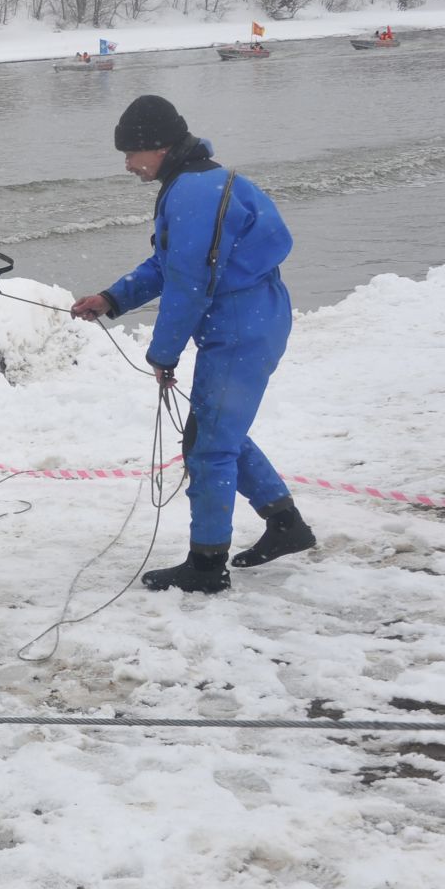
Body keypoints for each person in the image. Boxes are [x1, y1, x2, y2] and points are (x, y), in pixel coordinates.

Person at [69, 95, 316, 593]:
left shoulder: (193, 194)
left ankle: (206, 566)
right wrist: (113, 298)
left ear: (158, 147)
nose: (128, 166)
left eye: (131, 154)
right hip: (251, 317)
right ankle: (286, 524)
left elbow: (188, 284)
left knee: (208, 447)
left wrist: (163, 351)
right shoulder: (198, 182)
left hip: (241, 327)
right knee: (213, 433)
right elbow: (169, 265)